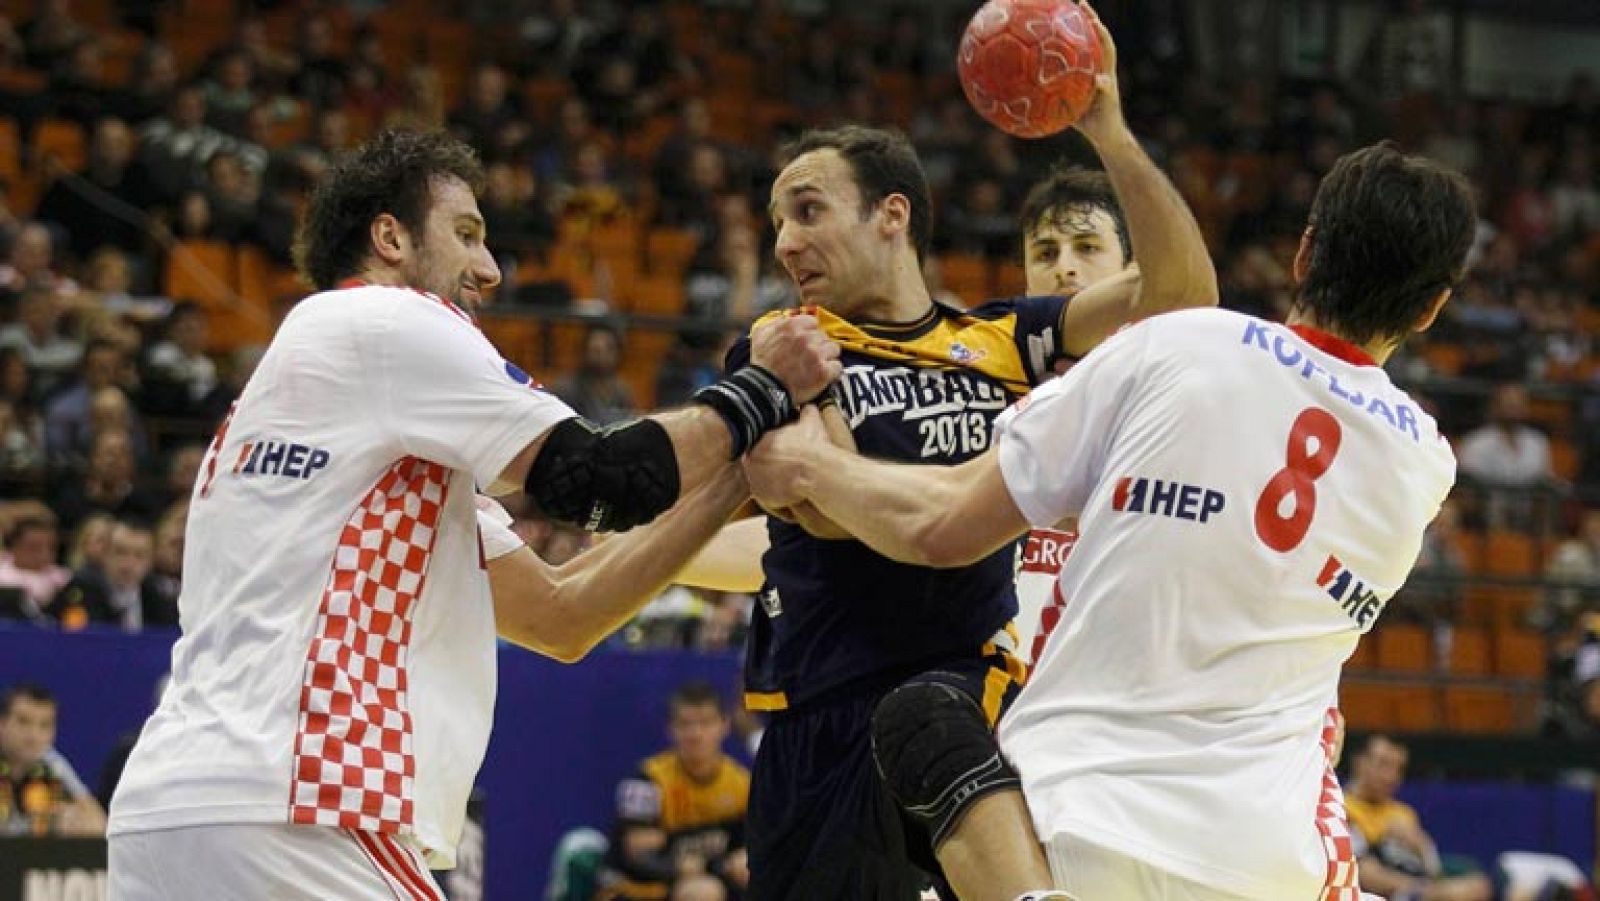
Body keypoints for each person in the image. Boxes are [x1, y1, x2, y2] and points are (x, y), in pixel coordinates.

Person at [105, 129, 839, 901]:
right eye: (466, 235)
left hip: (170, 812)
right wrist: (763, 391)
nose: (490, 270)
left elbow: (562, 613)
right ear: (389, 238)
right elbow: (598, 479)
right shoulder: (389, 320)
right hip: (302, 801)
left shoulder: (340, 429)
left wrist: (733, 484)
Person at [743, 141, 1477, 899]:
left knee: (924, 723)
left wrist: (810, 462)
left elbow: (938, 525)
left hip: (1079, 819)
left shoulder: (1182, 342)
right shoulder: (1428, 462)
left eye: (1084, 248)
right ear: (1431, 307)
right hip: (1275, 854)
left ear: (1304, 253)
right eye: (1050, 251)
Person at [725, 8, 1217, 897]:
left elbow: (1183, 294)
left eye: (807, 210)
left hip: (967, 706)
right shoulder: (784, 340)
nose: (785, 242)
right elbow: (839, 520)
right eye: (776, 222)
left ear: (892, 215)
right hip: (826, 719)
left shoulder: (997, 337)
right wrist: (983, 489)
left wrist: (1108, 130)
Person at [601, 680, 750, 901]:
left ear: (725, 725)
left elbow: (750, 850)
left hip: (709, 880)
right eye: (685, 724)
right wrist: (688, 868)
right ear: (671, 729)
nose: (696, 734)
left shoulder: (741, 783)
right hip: (639, 891)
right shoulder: (647, 781)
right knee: (703, 892)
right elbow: (639, 858)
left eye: (706, 723)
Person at [1343, 734, 1494, 901]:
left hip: (1422, 886)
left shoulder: (1402, 813)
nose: (1391, 777)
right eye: (1383, 765)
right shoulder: (1340, 809)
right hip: (1380, 893)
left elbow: (1432, 868)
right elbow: (1364, 874)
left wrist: (1421, 845)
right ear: (1359, 763)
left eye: (1398, 769)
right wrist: (1427, 891)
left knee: (1480, 884)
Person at [0, 683, 106, 837]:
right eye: (23, 722)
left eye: (45, 725)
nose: (33, 736)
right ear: (2, 724)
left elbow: (99, 824)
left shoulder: (51, 762)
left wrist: (70, 820)